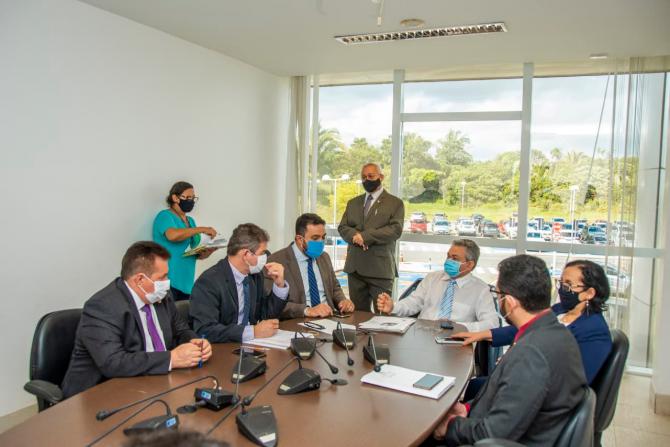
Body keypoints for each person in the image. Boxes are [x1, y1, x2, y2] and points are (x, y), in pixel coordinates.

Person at [433, 254, 587, 446]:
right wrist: (467, 409)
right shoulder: (556, 333)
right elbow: (510, 402)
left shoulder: (530, 354)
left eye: (498, 295)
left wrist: (451, 426)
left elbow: (493, 434)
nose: (498, 301)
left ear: (510, 302)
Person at [61, 242, 212, 398]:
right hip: (100, 395)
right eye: (162, 277)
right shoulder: (102, 307)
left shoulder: (161, 296)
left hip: (153, 384)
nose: (167, 282)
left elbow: (181, 330)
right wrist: (171, 359)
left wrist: (194, 341)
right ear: (140, 279)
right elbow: (113, 362)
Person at [453, 259, 612, 384]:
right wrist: (481, 334)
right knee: (475, 386)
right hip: (521, 380)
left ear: (589, 293)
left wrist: (519, 366)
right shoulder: (560, 309)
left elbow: (575, 381)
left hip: (540, 394)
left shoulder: (595, 331)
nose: (561, 289)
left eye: (568, 285)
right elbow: (527, 327)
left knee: (477, 390)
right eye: (561, 283)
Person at [190, 223, 289, 343]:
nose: (265, 258)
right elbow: (205, 330)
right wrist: (252, 332)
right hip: (223, 348)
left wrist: (279, 285)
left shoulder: (255, 276)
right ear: (246, 254)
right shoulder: (209, 282)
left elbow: (266, 316)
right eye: (262, 253)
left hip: (251, 345)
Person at [377, 239, 498, 332]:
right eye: (448, 256)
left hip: (456, 341)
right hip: (423, 334)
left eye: (454, 258)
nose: (448, 261)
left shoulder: (481, 290)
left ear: (470, 265)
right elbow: (413, 302)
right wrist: (393, 307)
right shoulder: (432, 278)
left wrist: (461, 327)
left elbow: (492, 324)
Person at [338, 163, 404, 312]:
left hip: (380, 270)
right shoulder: (353, 203)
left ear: (381, 177)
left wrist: (365, 236)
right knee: (357, 317)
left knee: (383, 316)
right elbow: (342, 227)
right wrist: (355, 236)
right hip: (355, 269)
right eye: (363, 177)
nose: (366, 180)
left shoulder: (395, 203)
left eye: (371, 176)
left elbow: (395, 230)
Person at [267, 213, 355, 319]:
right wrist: (307, 310)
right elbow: (271, 304)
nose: (321, 242)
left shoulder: (324, 257)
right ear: (299, 239)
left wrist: (342, 301)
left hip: (329, 317)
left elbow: (334, 288)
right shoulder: (276, 261)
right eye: (315, 238)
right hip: (299, 320)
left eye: (323, 237)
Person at [153, 181, 219, 301]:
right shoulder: (165, 216)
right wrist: (202, 229)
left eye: (193, 198)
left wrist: (209, 250)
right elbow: (173, 236)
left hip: (187, 283)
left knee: (184, 312)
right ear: (175, 198)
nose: (191, 201)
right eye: (188, 197)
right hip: (168, 280)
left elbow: (195, 253)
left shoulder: (191, 221)